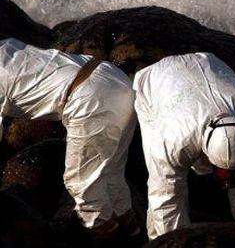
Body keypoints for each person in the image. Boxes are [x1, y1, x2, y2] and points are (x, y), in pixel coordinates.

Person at [133, 52, 235, 239]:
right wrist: (175, 241)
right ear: (205, 153)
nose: (228, 179)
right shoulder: (174, 142)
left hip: (207, 63)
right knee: (162, 191)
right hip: (154, 83)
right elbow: (166, 200)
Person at [0, 38, 139, 239]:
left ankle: (103, 235)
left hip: (89, 97)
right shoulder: (6, 46)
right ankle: (134, 234)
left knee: (81, 184)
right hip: (113, 78)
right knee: (111, 176)